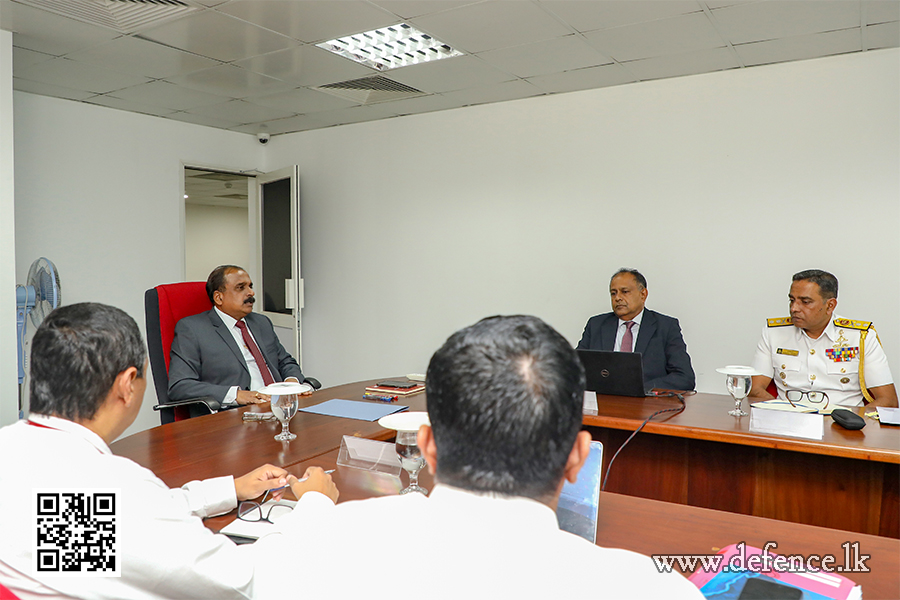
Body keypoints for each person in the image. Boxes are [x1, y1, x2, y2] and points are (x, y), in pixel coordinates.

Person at [265, 316, 703, 599]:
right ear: (578, 458)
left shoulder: (321, 546)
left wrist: (313, 506)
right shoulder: (645, 588)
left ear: (427, 447)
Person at [0, 303, 338, 599]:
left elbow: (94, 528)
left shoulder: (20, 454)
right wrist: (316, 503)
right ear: (127, 385)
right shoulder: (110, 487)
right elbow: (244, 584)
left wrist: (231, 489)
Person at [168, 265, 315, 408]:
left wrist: (292, 383)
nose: (251, 292)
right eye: (241, 287)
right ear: (219, 298)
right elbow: (180, 385)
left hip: (282, 406)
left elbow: (285, 361)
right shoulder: (193, 329)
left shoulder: (261, 322)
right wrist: (238, 395)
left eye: (251, 286)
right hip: (238, 414)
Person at [749, 269, 897, 408]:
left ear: (830, 305)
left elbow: (888, 401)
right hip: (788, 422)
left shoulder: (860, 337)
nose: (794, 308)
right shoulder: (774, 333)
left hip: (843, 428)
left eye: (805, 302)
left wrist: (851, 421)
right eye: (792, 300)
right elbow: (755, 389)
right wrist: (782, 413)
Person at [577, 268, 695, 390]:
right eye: (613, 293)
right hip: (604, 401)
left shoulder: (666, 327)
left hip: (647, 404)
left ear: (643, 294)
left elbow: (684, 378)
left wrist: (640, 389)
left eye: (625, 292)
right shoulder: (596, 325)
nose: (618, 298)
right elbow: (575, 368)